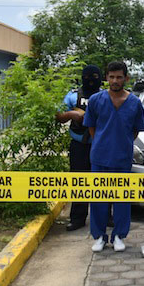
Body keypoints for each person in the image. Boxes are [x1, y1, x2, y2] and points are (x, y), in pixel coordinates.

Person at [83, 61, 144, 252]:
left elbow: (135, 131)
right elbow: (92, 127)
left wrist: (121, 143)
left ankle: (119, 235)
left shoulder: (134, 103)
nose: (115, 80)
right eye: (111, 77)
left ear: (126, 78)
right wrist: (103, 143)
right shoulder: (96, 100)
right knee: (98, 199)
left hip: (122, 158)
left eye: (119, 77)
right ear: (106, 78)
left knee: (122, 200)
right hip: (100, 157)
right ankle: (99, 236)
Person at [56, 65, 102, 231]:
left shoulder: (105, 95)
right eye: (87, 77)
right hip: (79, 145)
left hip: (100, 145)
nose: (91, 80)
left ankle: (105, 217)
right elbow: (59, 115)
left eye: (95, 76)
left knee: (102, 182)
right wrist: (72, 114)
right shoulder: (73, 95)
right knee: (79, 182)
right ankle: (77, 218)